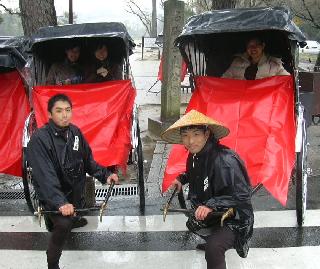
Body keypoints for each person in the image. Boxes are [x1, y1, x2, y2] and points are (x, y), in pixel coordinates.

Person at [26, 94, 119, 269]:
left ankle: (63, 218)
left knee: (71, 218)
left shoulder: (75, 133)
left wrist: (105, 174)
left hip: (74, 192)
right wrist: (59, 202)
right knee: (63, 224)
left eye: (68, 110)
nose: (64, 115)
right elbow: (45, 176)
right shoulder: (39, 140)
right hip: (52, 196)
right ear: (50, 114)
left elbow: (87, 161)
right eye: (59, 111)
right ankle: (52, 262)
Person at [161, 110, 254, 269]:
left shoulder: (225, 160)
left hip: (234, 218)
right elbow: (194, 173)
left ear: (207, 134)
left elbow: (242, 196)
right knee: (193, 223)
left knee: (213, 248)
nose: (190, 141)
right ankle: (213, 237)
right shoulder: (195, 155)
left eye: (196, 134)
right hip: (212, 212)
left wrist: (211, 205)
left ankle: (215, 242)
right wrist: (182, 179)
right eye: (185, 136)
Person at [222, 37, 290, 80]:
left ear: (263, 46)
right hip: (240, 98)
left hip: (262, 100)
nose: (253, 48)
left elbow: (286, 81)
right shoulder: (237, 62)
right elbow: (224, 79)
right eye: (250, 46)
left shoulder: (274, 64)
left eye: (256, 45)